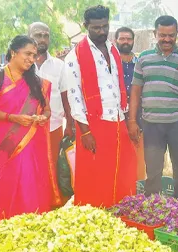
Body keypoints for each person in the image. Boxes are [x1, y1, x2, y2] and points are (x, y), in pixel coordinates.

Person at [65, 5, 138, 208]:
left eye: (105, 26)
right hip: (92, 123)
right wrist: (85, 132)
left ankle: (121, 214)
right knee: (95, 174)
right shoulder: (75, 56)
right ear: (85, 26)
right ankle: (95, 217)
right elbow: (74, 96)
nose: (102, 31)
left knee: (123, 170)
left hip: (117, 120)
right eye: (96, 27)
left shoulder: (113, 49)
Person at [0, 35, 55, 223]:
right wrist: (13, 118)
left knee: (33, 183)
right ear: (14, 52)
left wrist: (43, 117)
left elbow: (47, 109)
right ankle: (6, 226)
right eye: (27, 54)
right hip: (6, 142)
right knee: (9, 184)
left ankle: (34, 226)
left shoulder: (37, 82)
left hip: (33, 142)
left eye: (34, 55)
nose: (31, 59)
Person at [128, 15, 178, 201]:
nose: (167, 39)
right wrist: (131, 120)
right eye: (162, 35)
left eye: (171, 35)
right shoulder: (143, 58)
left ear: (177, 34)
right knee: (152, 172)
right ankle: (153, 210)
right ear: (155, 34)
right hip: (151, 124)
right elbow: (135, 91)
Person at [29, 22, 74, 208]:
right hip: (27, 128)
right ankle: (33, 205)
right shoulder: (22, 64)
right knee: (32, 169)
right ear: (29, 36)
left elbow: (66, 97)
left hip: (54, 126)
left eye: (45, 35)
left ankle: (54, 205)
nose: (42, 39)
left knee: (54, 168)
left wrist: (70, 125)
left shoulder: (59, 66)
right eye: (38, 35)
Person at [115, 26, 138, 109]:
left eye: (129, 39)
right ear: (115, 41)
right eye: (122, 39)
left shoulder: (140, 64)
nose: (126, 42)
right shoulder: (109, 64)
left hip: (136, 111)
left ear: (133, 41)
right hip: (115, 111)